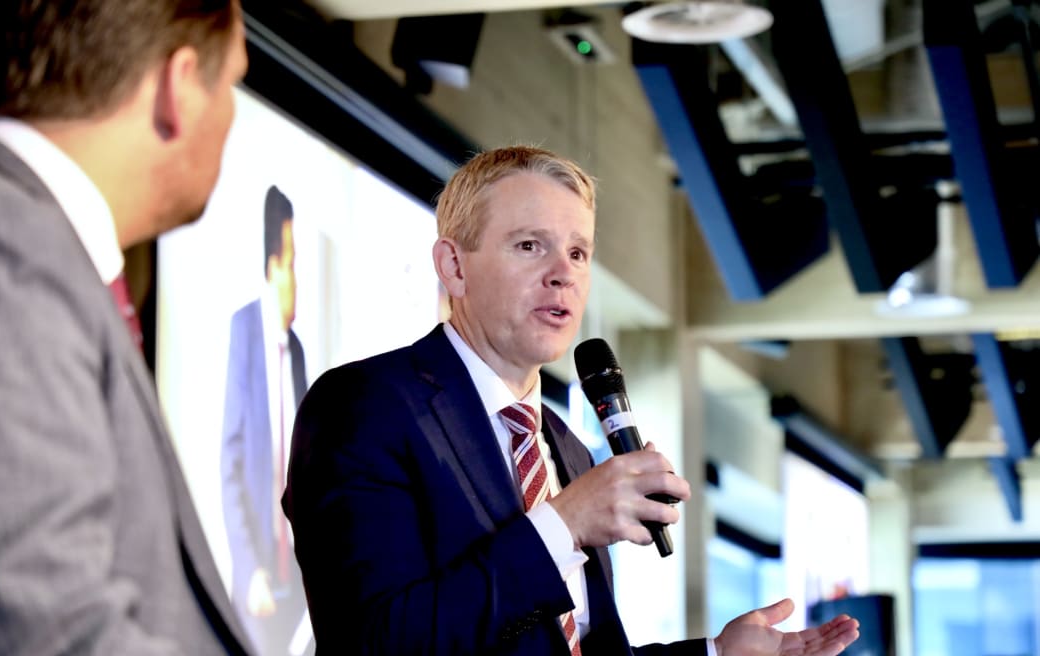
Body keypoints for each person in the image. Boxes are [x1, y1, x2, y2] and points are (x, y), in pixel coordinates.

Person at [283, 145, 861, 655]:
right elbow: (375, 640)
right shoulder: (364, 406)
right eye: (530, 246)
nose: (563, 274)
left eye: (578, 253)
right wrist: (563, 524)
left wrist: (716, 654)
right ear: (453, 267)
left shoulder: (566, 449)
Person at [0, 1, 253, 654]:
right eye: (234, 85)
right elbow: (49, 624)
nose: (232, 114)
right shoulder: (12, 245)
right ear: (180, 86)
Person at [222, 184, 311, 655]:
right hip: (257, 581)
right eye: (294, 266)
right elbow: (230, 461)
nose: (298, 280)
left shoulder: (296, 351)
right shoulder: (243, 330)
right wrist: (247, 565)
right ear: (273, 267)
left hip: (296, 580)